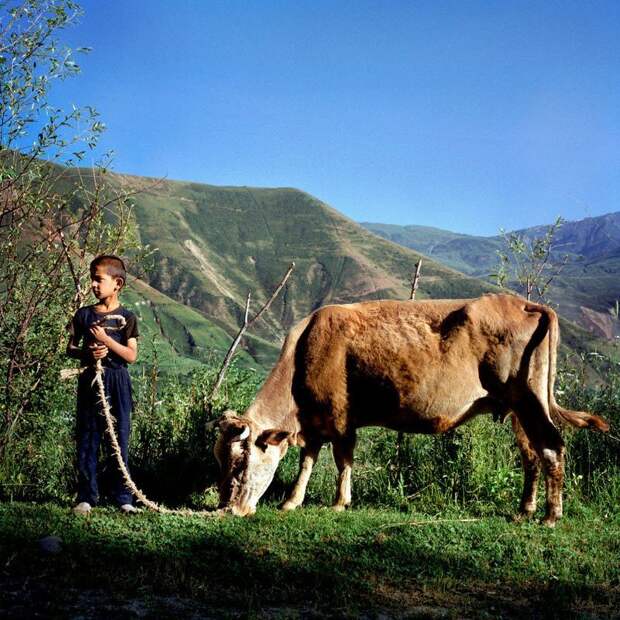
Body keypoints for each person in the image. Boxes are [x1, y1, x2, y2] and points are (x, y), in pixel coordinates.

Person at [66, 255, 139, 515]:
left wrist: (106, 341)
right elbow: (70, 348)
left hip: (117, 380)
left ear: (117, 283)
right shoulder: (84, 315)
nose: (94, 285)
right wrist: (89, 352)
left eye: (99, 280)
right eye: (92, 280)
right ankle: (86, 496)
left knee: (118, 438)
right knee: (88, 436)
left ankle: (123, 497)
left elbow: (131, 355)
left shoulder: (127, 317)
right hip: (90, 381)